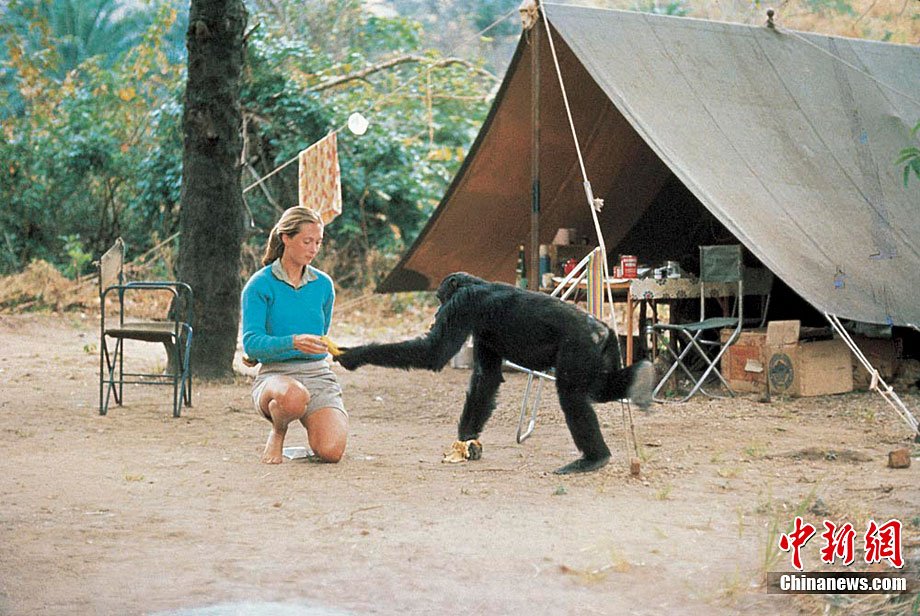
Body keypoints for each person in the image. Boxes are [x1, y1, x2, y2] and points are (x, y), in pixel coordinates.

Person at [241, 206, 347, 464]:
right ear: (286, 238)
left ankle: (315, 421)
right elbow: (251, 343)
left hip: (317, 374)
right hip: (276, 376)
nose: (314, 249)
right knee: (293, 396)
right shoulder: (259, 284)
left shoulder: (323, 285)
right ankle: (278, 431)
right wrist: (292, 342)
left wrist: (324, 347)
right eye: (307, 241)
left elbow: (321, 334)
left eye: (318, 242)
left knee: (331, 452)